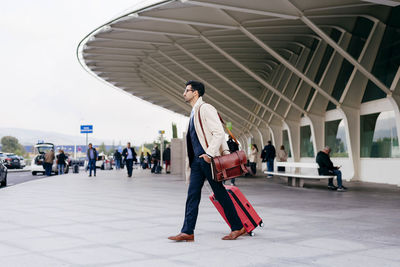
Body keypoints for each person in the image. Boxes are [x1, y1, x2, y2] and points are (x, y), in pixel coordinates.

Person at [168, 80, 245, 242]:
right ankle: (187, 231)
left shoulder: (206, 108)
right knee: (192, 195)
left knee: (220, 193)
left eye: (187, 90)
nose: (184, 93)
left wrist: (209, 154)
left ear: (195, 93)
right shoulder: (193, 112)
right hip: (198, 162)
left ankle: (237, 227)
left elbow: (218, 133)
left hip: (208, 160)